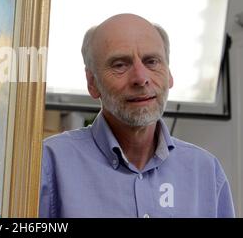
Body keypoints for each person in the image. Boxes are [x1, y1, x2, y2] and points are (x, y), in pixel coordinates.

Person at [39, 13, 235, 218]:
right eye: (120, 65)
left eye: (151, 61)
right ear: (92, 83)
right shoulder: (49, 163)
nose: (141, 79)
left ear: (169, 75)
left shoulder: (206, 172)